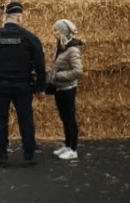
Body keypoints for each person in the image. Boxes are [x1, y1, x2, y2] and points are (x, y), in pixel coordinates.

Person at [0, 1, 46, 168]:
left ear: (5, 17)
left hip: (0, 85)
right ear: (19, 17)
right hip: (23, 85)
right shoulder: (30, 38)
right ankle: (28, 153)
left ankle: (2, 154)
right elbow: (40, 64)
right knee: (26, 118)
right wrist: (40, 86)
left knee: (1, 119)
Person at [47, 19, 83, 160]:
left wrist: (58, 76)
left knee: (70, 118)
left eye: (56, 30)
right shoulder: (61, 46)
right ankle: (67, 145)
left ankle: (73, 149)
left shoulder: (73, 49)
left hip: (67, 88)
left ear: (63, 32)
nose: (54, 32)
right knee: (64, 118)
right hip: (59, 88)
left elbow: (78, 71)